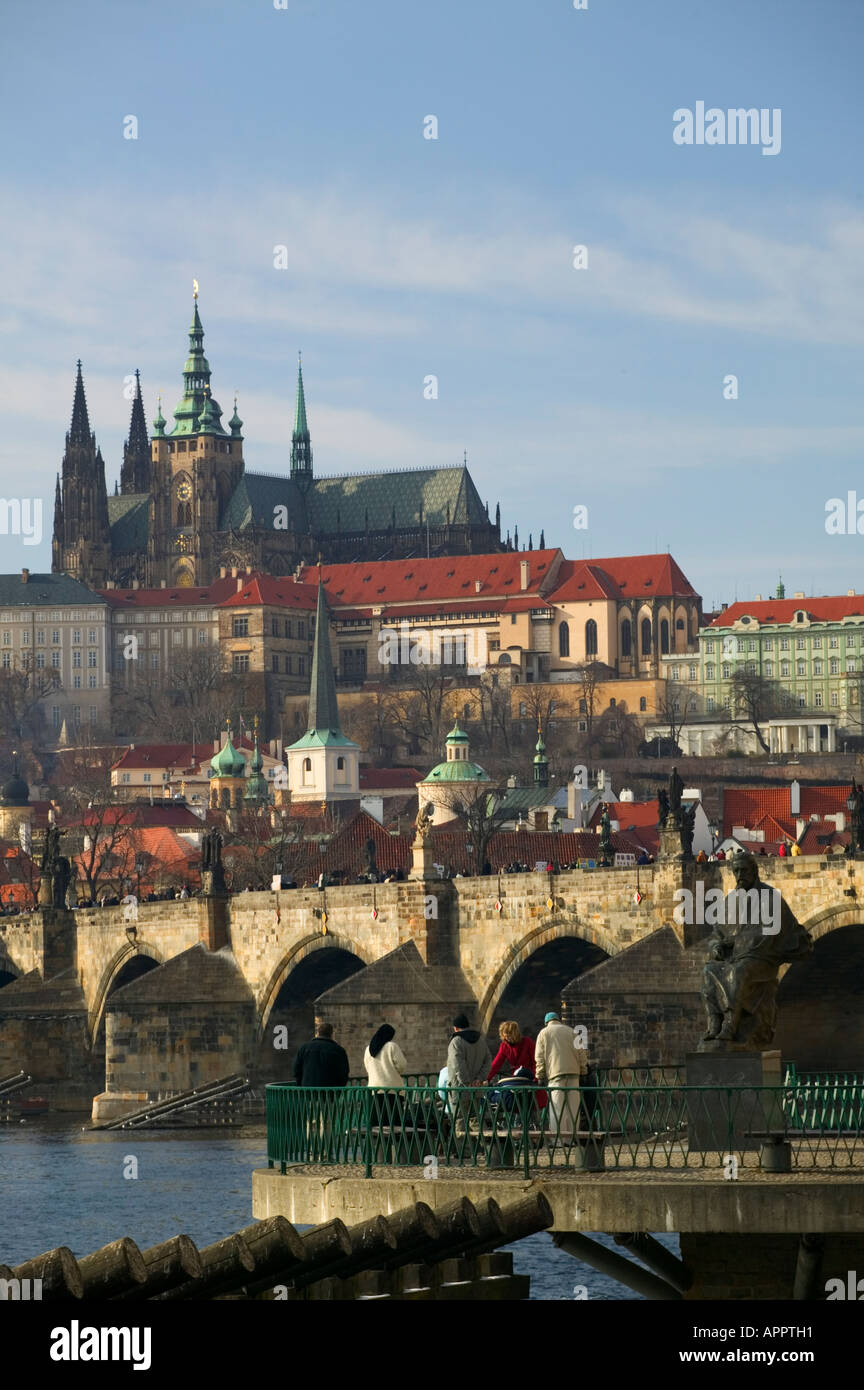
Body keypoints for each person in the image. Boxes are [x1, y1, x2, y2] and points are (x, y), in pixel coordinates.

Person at [535, 1012, 588, 1144]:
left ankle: (558, 1141)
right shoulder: (571, 1031)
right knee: (573, 1108)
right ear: (558, 1020)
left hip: (555, 1075)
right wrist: (583, 1071)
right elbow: (582, 1054)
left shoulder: (543, 1033)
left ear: (547, 1022)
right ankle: (571, 1140)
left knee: (557, 1109)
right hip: (573, 1074)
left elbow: (539, 1057)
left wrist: (540, 1075)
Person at [447, 1014, 491, 1135]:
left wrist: (467, 1082)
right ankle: (487, 1147)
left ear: (455, 1028)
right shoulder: (480, 1040)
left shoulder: (456, 1042)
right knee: (476, 1119)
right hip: (476, 1088)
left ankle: (463, 1151)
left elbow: (457, 1064)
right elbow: (488, 1061)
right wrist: (479, 1079)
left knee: (460, 1120)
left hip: (460, 1088)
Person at [363, 1023, 407, 1128]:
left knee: (377, 1122)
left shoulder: (368, 1049)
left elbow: (367, 1067)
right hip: (392, 1089)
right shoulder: (391, 1046)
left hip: (374, 1089)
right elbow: (402, 1065)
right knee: (393, 1123)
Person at [293, 1019, 350, 1087]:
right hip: (330, 1091)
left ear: (318, 1033)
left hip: (308, 1090)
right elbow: (344, 1073)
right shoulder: (339, 1050)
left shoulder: (304, 1048)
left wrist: (301, 1085)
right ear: (332, 1034)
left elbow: (296, 1070)